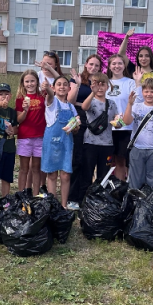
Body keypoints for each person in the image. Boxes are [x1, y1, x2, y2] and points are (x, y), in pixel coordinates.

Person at [123, 77, 153, 192]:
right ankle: (135, 205)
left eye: (152, 91)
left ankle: (152, 205)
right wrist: (129, 104)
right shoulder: (136, 106)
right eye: (146, 91)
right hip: (137, 147)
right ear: (142, 92)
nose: (149, 94)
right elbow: (127, 122)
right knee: (135, 179)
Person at [69, 54, 103, 205]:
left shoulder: (101, 82)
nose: (93, 68)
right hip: (79, 120)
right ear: (86, 65)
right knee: (76, 159)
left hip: (95, 122)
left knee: (88, 161)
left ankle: (86, 196)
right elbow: (69, 101)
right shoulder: (77, 79)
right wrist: (76, 86)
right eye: (91, 64)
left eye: (96, 65)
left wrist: (81, 102)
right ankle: (72, 197)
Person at [40, 76, 79, 207]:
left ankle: (63, 205)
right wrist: (46, 88)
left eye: (64, 84)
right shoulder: (52, 102)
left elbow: (75, 128)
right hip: (52, 142)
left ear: (69, 88)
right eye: (58, 84)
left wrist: (75, 127)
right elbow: (50, 95)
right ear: (53, 88)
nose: (62, 87)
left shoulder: (71, 107)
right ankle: (53, 205)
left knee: (65, 175)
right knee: (51, 174)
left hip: (66, 143)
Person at [81, 72, 119, 188]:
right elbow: (84, 107)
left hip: (107, 143)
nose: (100, 88)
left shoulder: (111, 103)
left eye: (103, 85)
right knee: (87, 172)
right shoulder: (91, 100)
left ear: (108, 87)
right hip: (90, 142)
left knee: (104, 174)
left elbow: (116, 120)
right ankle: (85, 198)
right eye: (97, 84)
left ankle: (100, 199)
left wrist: (118, 122)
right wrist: (93, 92)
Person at [106, 54, 136, 181]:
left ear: (124, 66)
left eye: (120, 63)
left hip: (125, 128)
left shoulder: (130, 83)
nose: (117, 66)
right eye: (114, 63)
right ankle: (102, 191)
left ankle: (120, 191)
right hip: (106, 129)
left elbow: (135, 104)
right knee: (105, 162)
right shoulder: (105, 82)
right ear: (109, 66)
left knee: (120, 161)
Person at [16, 69, 45, 195]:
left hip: (40, 137)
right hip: (25, 137)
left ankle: (35, 195)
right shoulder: (20, 99)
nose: (30, 84)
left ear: (37, 82)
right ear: (23, 83)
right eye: (27, 81)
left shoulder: (42, 96)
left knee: (36, 168)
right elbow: (19, 120)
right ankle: (21, 194)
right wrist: (25, 110)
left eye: (32, 81)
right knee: (24, 169)